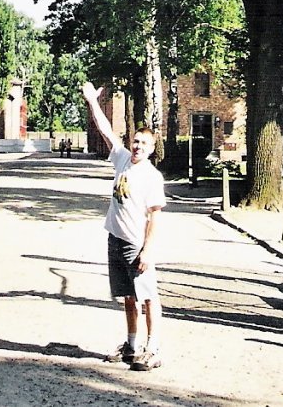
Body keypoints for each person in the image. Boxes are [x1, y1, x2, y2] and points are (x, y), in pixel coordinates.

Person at [82, 81, 166, 371]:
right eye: (135, 141)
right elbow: (106, 130)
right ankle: (131, 345)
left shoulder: (152, 177)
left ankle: (153, 349)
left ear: (151, 149)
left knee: (148, 296)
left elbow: (155, 217)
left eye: (143, 144)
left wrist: (147, 251)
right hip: (115, 239)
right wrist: (92, 101)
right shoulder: (122, 160)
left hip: (135, 244)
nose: (137, 146)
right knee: (128, 296)